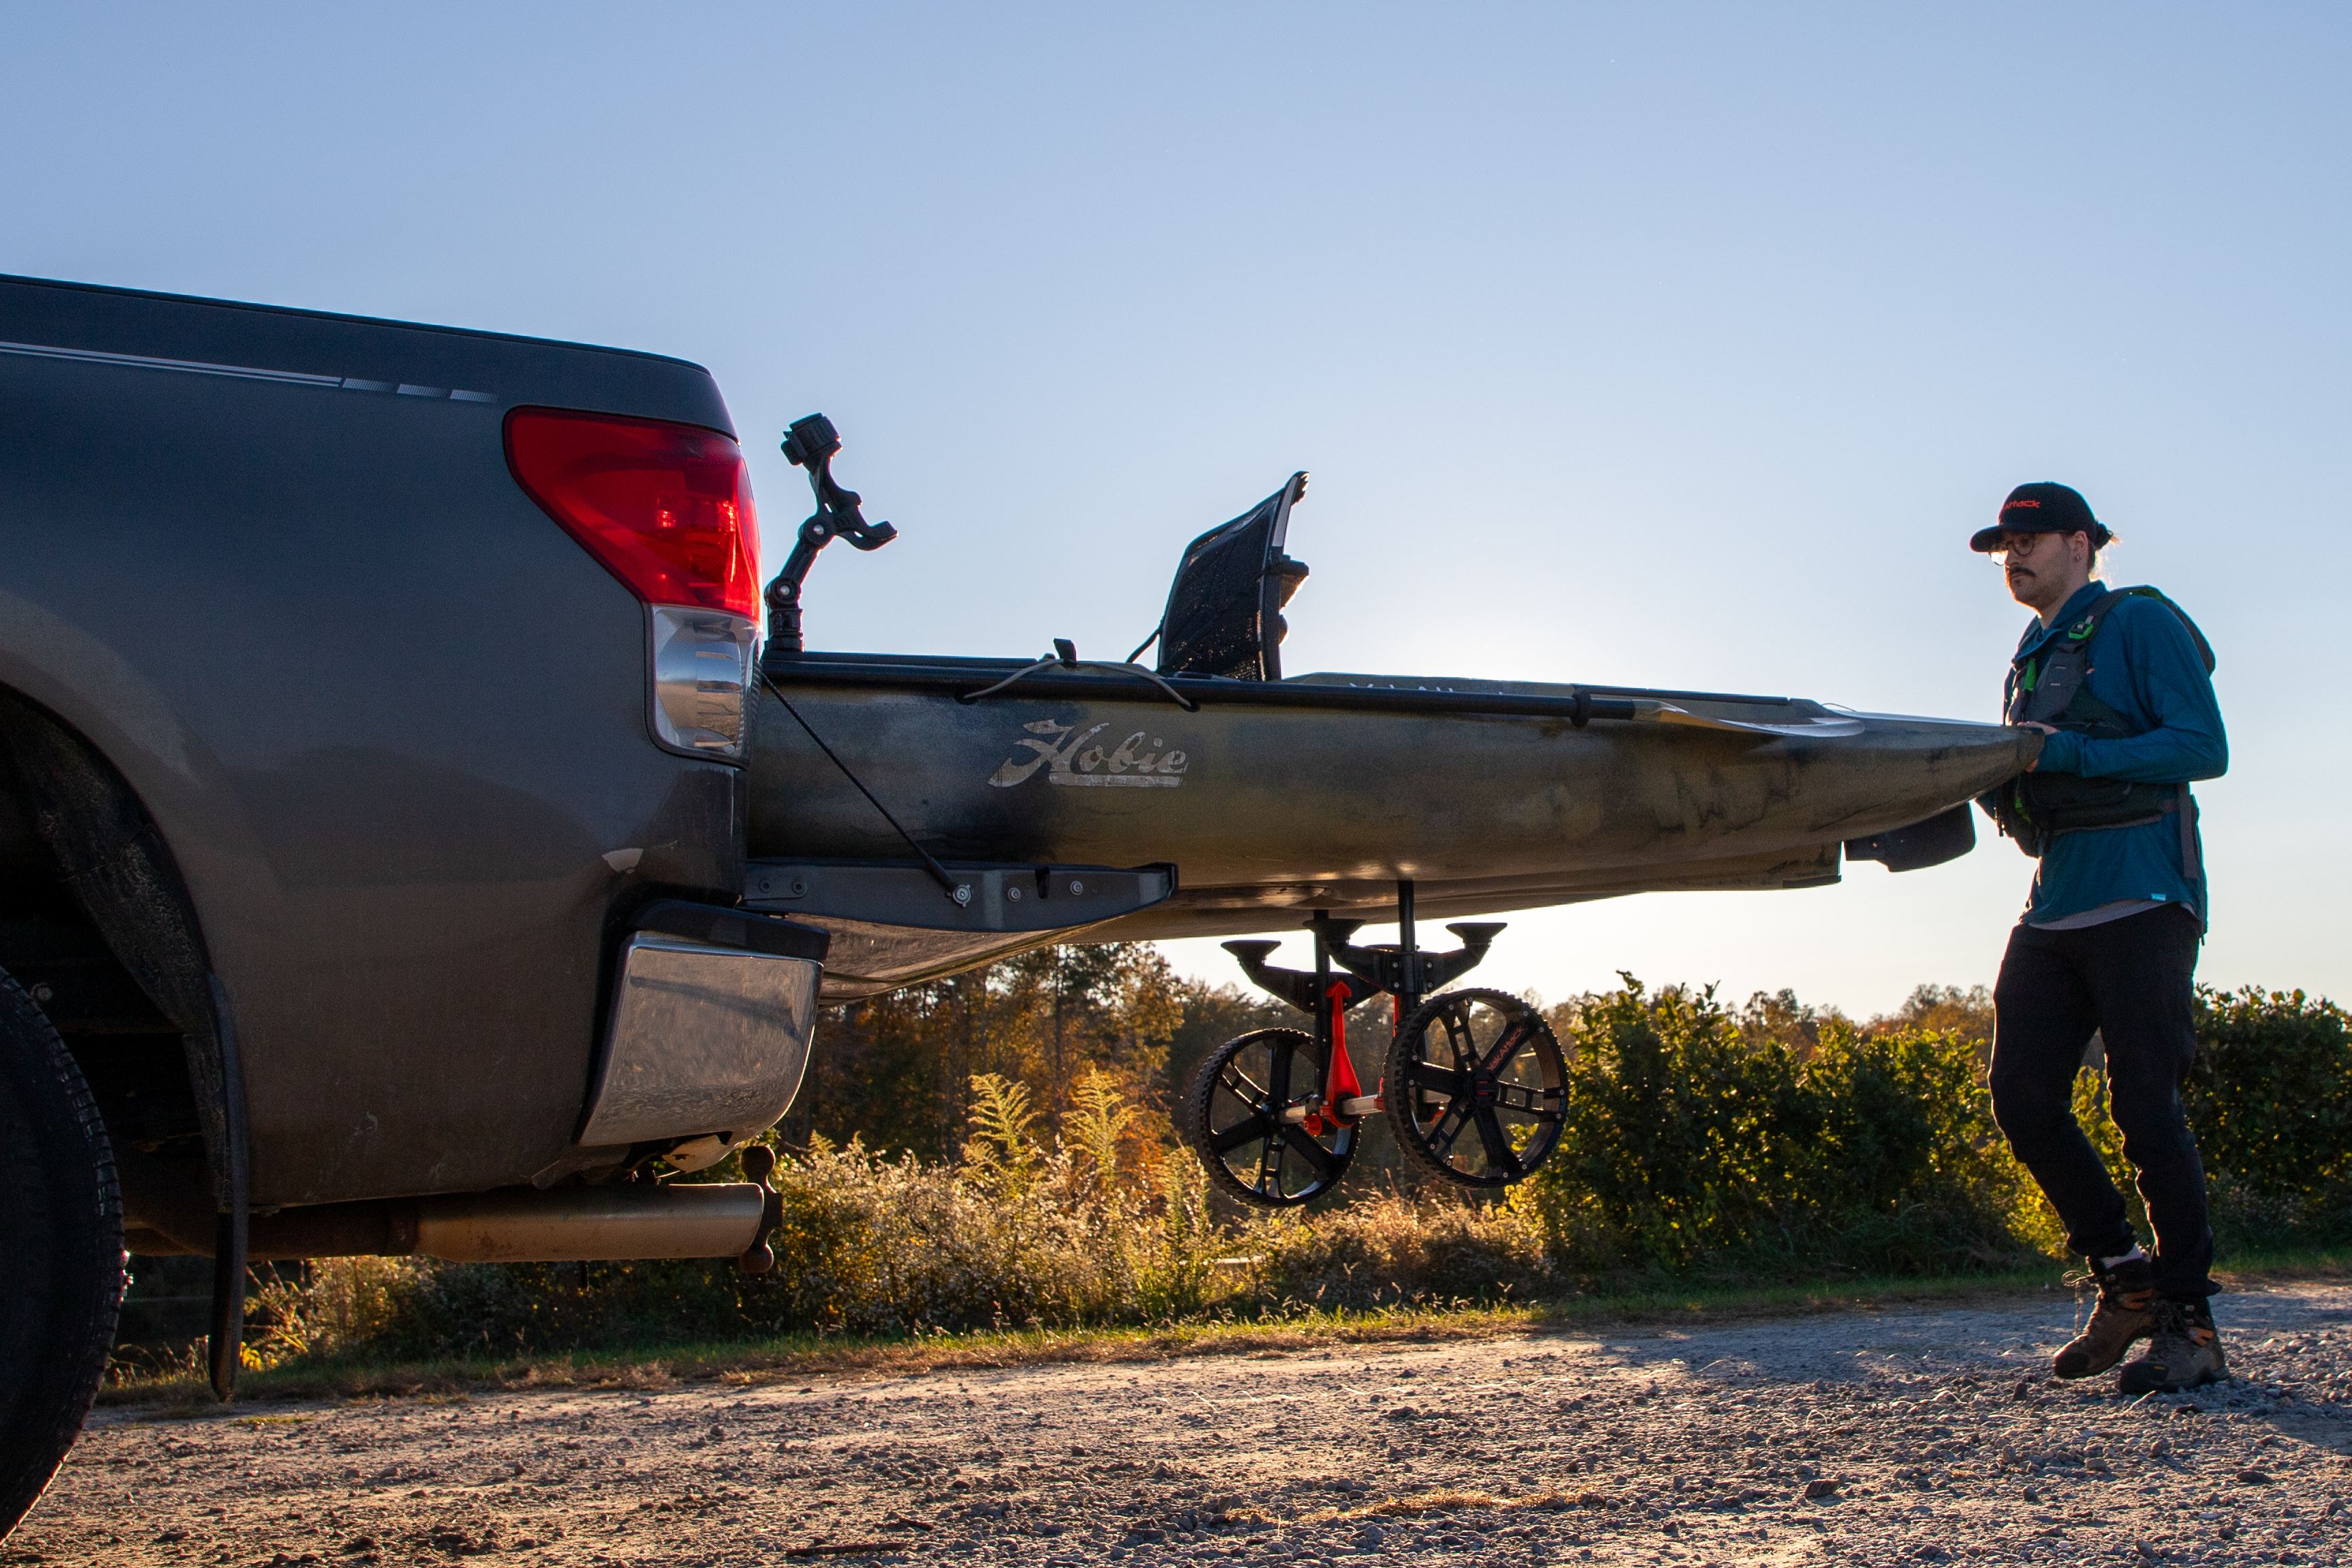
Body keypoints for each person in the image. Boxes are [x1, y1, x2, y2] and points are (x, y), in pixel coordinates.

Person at [1972, 481, 2229, 1394]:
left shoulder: (2136, 623)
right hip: (2054, 902)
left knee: (2145, 1110)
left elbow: (2201, 746)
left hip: (2144, 892)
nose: (2013, 554)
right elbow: (2041, 799)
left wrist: (2072, 754)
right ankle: (2121, 1278)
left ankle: (2186, 1323)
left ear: (2081, 543)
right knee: (2021, 1096)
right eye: (2003, 543)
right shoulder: (2030, 655)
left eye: (2030, 537)